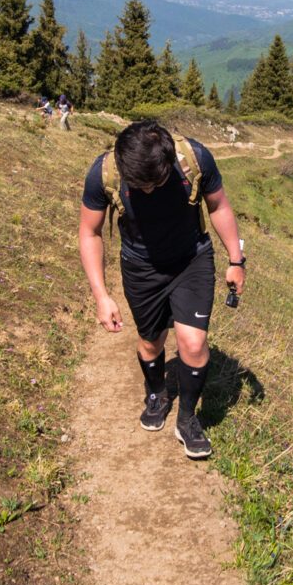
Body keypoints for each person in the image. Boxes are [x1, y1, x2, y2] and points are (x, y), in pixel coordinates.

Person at [78, 120, 247, 459]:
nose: (149, 191)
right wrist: (101, 296)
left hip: (191, 259)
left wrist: (236, 259)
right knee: (150, 341)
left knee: (194, 343)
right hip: (141, 267)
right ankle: (156, 392)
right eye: (141, 185)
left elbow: (219, 205)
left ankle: (187, 420)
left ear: (170, 163)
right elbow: (89, 233)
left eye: (157, 182)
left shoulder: (195, 158)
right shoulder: (103, 173)